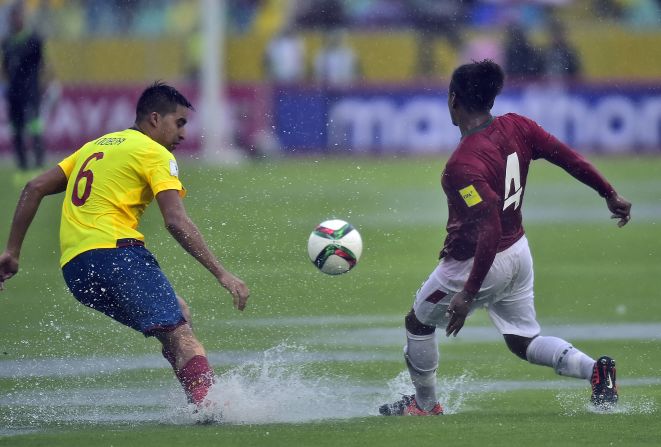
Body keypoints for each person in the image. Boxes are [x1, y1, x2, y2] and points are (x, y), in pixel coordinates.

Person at [379, 60, 631, 416]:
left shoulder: (460, 166)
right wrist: (608, 192)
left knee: (418, 322)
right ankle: (596, 371)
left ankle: (424, 406)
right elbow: (566, 157)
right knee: (522, 341)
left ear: (453, 101)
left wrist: (467, 293)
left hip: (475, 262)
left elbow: (489, 226)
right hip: (518, 252)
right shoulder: (518, 126)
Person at [0, 82, 250, 409]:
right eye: (180, 123)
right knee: (181, 334)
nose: (184, 134)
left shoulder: (96, 146)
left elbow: (33, 187)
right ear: (155, 119)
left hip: (76, 270)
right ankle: (211, 407)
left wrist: (12, 252)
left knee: (178, 317)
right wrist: (222, 273)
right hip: (116, 254)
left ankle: (197, 400)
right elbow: (175, 221)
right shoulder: (154, 152)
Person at [1, 1, 48, 171]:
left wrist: (43, 84)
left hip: (31, 91)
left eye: (17, 16)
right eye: (12, 17)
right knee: (16, 129)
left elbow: (42, 64)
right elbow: (5, 68)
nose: (15, 20)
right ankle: (22, 166)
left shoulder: (34, 40)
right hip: (14, 93)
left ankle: (39, 164)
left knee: (35, 127)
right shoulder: (7, 42)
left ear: (23, 18)